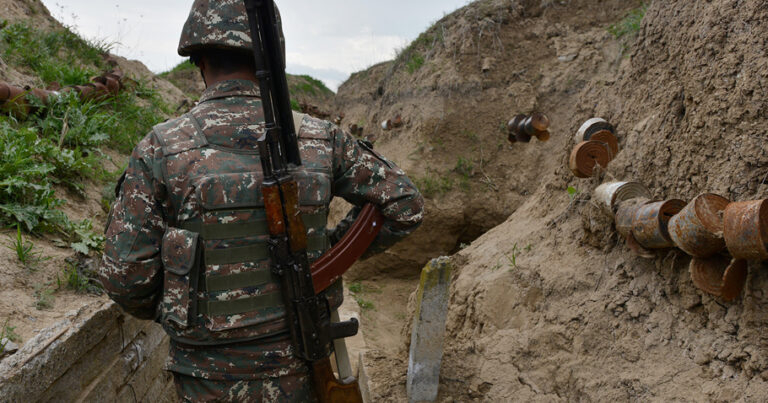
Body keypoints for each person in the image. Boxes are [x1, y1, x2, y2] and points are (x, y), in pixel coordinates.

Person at [97, 1, 424, 401]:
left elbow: (125, 278)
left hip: (206, 377)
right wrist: (322, 261)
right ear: (273, 54)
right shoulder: (322, 139)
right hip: (302, 367)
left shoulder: (161, 149)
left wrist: (190, 303)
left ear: (197, 58)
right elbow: (404, 205)